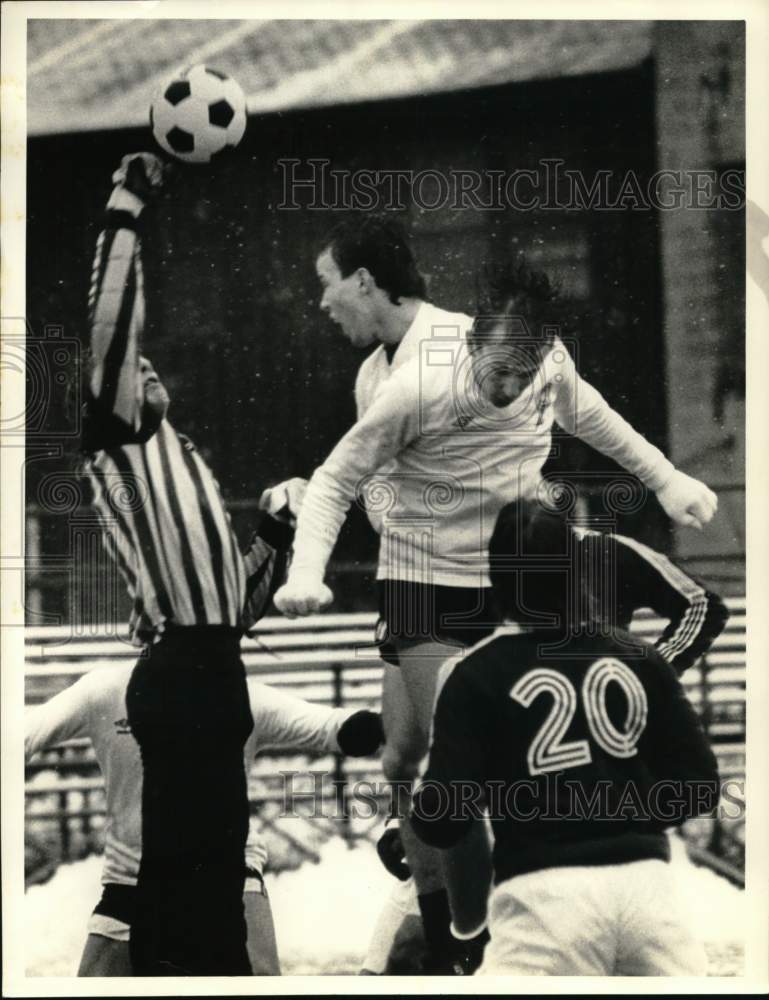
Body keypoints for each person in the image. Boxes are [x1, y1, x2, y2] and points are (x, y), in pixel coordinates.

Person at [272, 216, 719, 970]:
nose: (506, 388)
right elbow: (337, 481)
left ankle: (468, 938)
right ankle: (451, 915)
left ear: (541, 359)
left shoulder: (546, 366)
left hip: (517, 572)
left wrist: (667, 480)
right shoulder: (414, 385)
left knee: (462, 751)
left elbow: (599, 421)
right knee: (402, 760)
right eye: (495, 372)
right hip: (422, 578)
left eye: (521, 374)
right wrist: (306, 571)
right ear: (472, 346)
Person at [80, 150, 309, 975]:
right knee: (187, 881)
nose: (147, 368)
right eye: (135, 368)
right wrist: (127, 201)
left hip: (211, 664)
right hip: (182, 670)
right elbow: (110, 315)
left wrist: (274, 540)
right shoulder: (117, 428)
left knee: (211, 875)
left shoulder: (179, 455)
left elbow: (231, 606)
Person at [373, 514, 730, 963]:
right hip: (645, 882)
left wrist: (405, 814)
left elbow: (440, 806)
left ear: (497, 580)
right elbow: (699, 786)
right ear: (577, 567)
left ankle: (451, 950)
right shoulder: (636, 659)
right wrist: (621, 815)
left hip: (542, 886)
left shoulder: (477, 666)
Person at [25, 665, 384, 976]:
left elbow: (332, 727)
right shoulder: (105, 691)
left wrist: (409, 725)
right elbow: (21, 734)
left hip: (227, 875)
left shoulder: (239, 696)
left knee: (261, 984)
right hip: (130, 881)